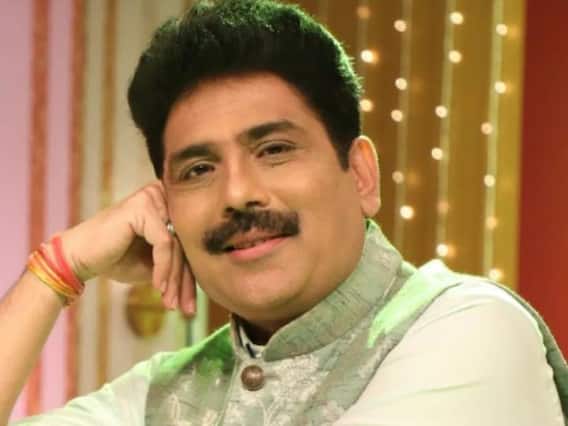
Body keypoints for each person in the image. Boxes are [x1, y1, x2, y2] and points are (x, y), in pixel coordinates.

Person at [1, 0, 567, 424]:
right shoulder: (162, 395)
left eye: (274, 150)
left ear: (361, 175)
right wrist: (58, 266)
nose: (237, 194)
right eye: (199, 169)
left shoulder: (470, 328)